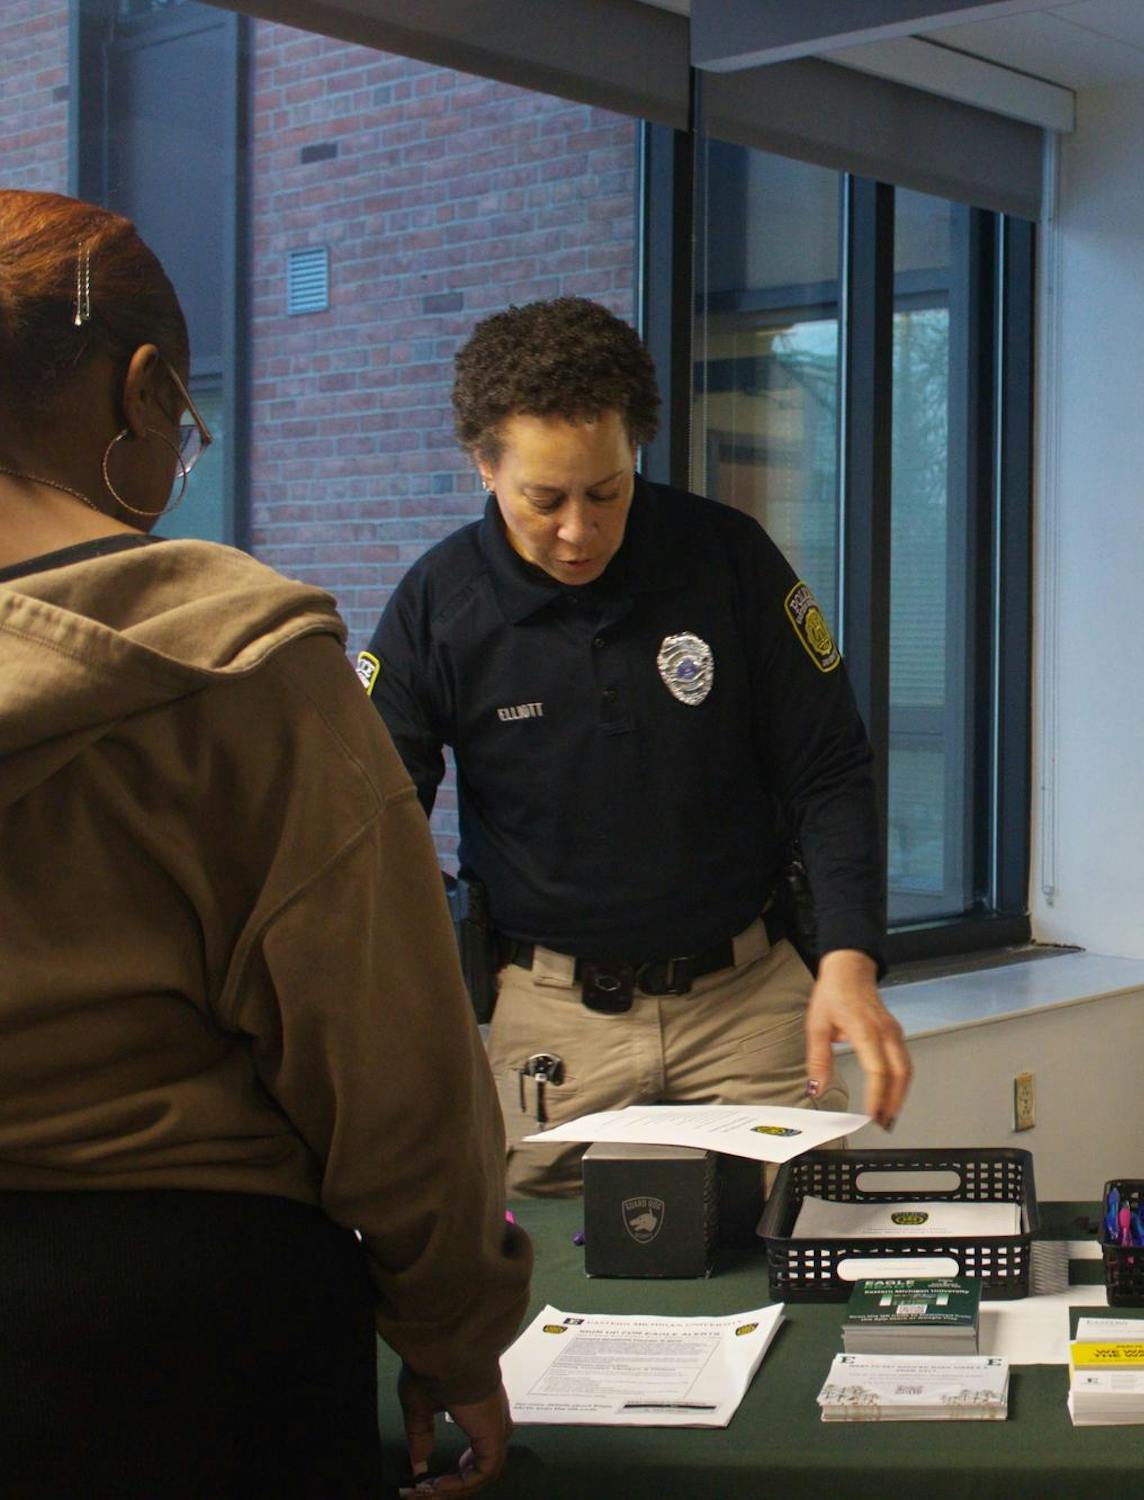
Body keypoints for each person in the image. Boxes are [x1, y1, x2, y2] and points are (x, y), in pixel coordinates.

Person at [0, 189, 530, 1498]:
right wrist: (455, 1330)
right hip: (182, 1335)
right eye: (180, 416)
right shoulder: (236, 671)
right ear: (140, 394)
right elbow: (393, 1070)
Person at [363, 296, 912, 1196]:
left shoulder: (727, 558)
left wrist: (849, 958)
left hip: (749, 1005)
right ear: (484, 466)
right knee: (539, 1289)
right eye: (545, 500)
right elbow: (373, 825)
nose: (579, 531)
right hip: (554, 1023)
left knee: (802, 1251)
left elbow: (830, 770)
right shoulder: (438, 607)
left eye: (605, 492)